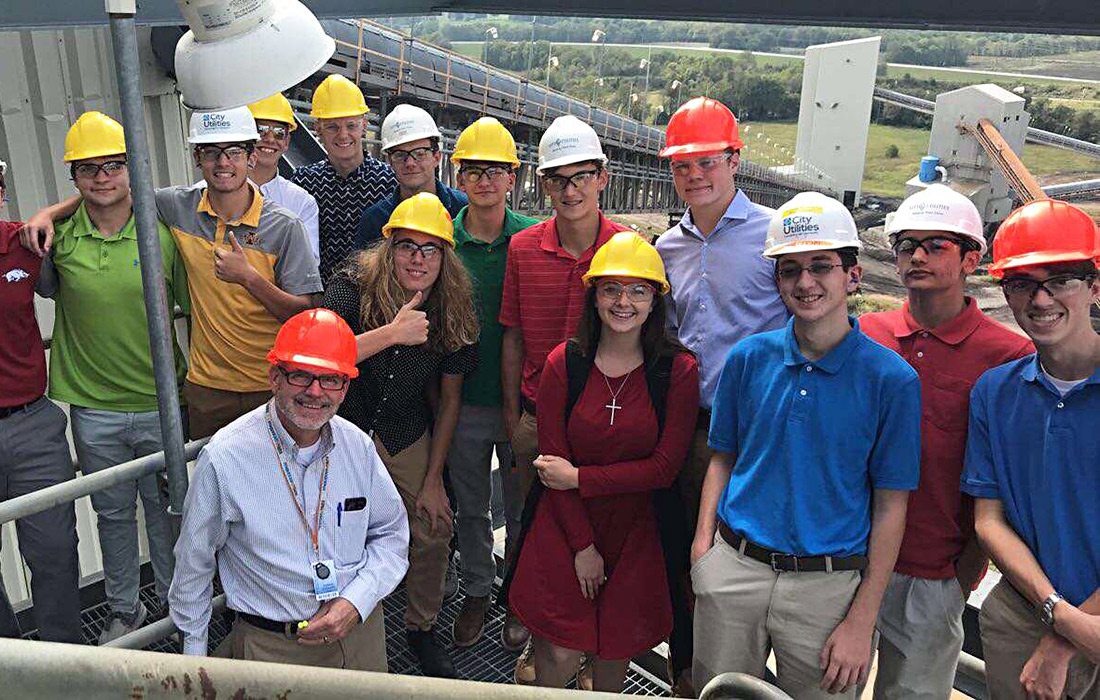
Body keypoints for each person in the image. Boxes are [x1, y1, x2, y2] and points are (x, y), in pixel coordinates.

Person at [691, 192, 920, 697]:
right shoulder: (749, 359)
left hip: (826, 588)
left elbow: (890, 506)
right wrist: (703, 551)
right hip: (735, 569)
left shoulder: (891, 381)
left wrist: (863, 620)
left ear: (852, 276)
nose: (805, 282)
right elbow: (722, 457)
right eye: (789, 270)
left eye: (821, 266)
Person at [23, 107, 322, 438]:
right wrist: (47, 214)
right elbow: (113, 193)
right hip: (208, 388)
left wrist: (249, 278)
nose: (223, 163)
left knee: (274, 480)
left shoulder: (285, 226)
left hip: (271, 383)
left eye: (234, 152)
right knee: (213, 482)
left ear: (252, 157)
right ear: (197, 157)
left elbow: (304, 313)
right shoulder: (179, 206)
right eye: (212, 153)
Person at [860, 184, 1033, 698]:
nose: (916, 255)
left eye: (936, 245)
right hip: (847, 559)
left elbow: (1002, 479)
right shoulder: (869, 333)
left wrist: (962, 575)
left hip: (932, 573)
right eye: (906, 244)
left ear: (971, 259)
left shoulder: (1007, 356)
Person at [509, 231, 699, 691]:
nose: (624, 302)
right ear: (593, 296)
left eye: (638, 290)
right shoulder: (565, 363)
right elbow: (552, 468)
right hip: (566, 522)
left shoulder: (677, 372)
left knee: (616, 649)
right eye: (611, 289)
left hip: (637, 530)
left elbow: (664, 468)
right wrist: (583, 547)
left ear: (656, 302)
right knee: (558, 649)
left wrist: (580, 477)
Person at [169, 308, 409, 668]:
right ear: (275, 377)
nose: (316, 392)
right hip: (274, 649)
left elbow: (391, 535)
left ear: (345, 387)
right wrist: (194, 665)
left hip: (359, 635)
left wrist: (355, 602)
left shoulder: (357, 447)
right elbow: (193, 566)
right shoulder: (225, 458)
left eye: (331, 379)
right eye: (301, 375)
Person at [37, 111, 191, 642]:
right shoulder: (57, 240)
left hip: (160, 400)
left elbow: (192, 308)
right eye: (89, 169)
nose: (103, 177)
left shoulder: (163, 234)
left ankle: (176, 610)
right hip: (93, 407)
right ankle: (125, 609)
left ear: (131, 169)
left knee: (167, 509)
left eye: (113, 165)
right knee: (112, 513)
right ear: (74, 179)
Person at [654, 97, 788, 696]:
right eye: (683, 166)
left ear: (735, 160)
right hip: (692, 424)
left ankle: (753, 673)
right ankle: (689, 668)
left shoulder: (773, 236)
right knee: (689, 547)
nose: (695, 176)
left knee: (754, 552)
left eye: (707, 162)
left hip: (763, 428)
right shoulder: (667, 248)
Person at [324, 192, 479, 678]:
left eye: (430, 249)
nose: (417, 257)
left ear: (444, 258)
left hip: (403, 429)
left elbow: (451, 397)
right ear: (388, 249)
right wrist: (390, 333)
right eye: (407, 245)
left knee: (434, 526)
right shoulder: (350, 287)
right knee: (331, 528)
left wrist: (434, 478)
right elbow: (322, 355)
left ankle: (421, 627)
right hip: (340, 430)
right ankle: (336, 616)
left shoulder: (453, 306)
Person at [499, 114, 630, 684]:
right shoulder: (524, 248)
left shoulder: (627, 249)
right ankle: (544, 639)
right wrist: (513, 418)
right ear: (543, 185)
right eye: (559, 179)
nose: (571, 190)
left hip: (604, 427)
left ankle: (586, 647)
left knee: (603, 539)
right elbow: (512, 335)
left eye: (582, 177)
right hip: (536, 419)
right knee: (539, 538)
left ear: (602, 178)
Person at [962, 199, 1100, 700]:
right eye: (1022, 284)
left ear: (1094, 286)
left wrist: (1068, 637)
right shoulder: (995, 394)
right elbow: (989, 521)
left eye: (1059, 279)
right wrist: (1058, 616)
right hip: (1024, 615)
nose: (1041, 300)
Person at [447, 117, 540, 648]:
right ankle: (478, 590)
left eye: (496, 170)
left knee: (521, 505)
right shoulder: (444, 241)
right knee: (471, 506)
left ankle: (517, 597)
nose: (485, 180)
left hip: (519, 402)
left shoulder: (530, 239)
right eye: (474, 170)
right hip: (461, 402)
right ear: (460, 177)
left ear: (513, 177)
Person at [0, 156, 82, 644]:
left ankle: (65, 667)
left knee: (53, 550)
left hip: (32, 423)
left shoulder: (23, 242)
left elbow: (103, 195)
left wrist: (51, 209)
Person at [292, 74, 396, 284]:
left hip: (376, 296)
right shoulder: (304, 182)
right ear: (317, 129)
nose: (343, 135)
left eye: (351, 126)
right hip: (319, 299)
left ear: (364, 126)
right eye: (332, 127)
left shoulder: (389, 182)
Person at [355, 104, 467, 247]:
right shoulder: (375, 220)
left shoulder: (463, 211)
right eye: (400, 155)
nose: (410, 163)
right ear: (390, 162)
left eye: (419, 153)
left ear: (436, 157)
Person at [245, 93, 320, 261]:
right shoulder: (212, 191)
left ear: (287, 142)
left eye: (279, 133)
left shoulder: (301, 203)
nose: (270, 139)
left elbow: (307, 265)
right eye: (261, 130)